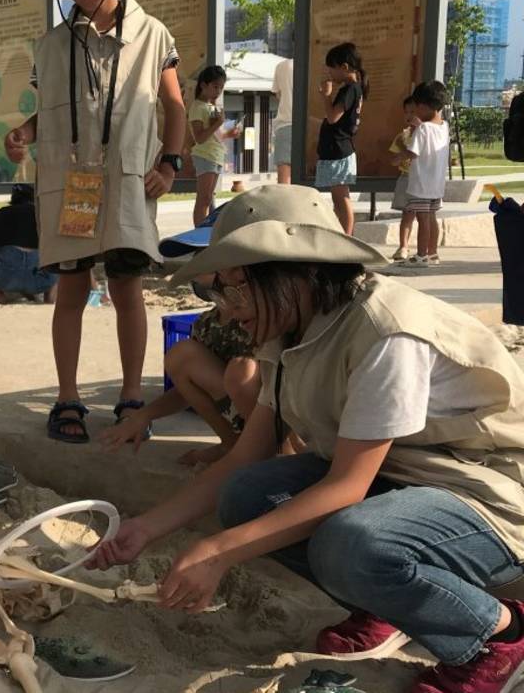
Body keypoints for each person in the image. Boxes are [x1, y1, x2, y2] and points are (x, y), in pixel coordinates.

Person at [90, 185, 524, 693]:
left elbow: (346, 488)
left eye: (234, 289)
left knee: (353, 542)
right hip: (401, 478)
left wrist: (217, 553)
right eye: (218, 292)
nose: (226, 311)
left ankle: (499, 637)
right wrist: (146, 527)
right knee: (246, 496)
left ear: (293, 275)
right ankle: (380, 604)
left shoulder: (385, 331)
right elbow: (246, 457)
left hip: (485, 490)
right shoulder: (291, 330)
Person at [4, 0, 185, 444]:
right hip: (70, 183)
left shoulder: (153, 35)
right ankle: (67, 396)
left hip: (129, 180)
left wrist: (169, 162)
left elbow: (173, 106)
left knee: (128, 286)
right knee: (71, 289)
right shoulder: (52, 44)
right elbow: (56, 108)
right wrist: (27, 132)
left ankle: (132, 395)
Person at [101, 209, 258, 465]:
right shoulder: (208, 323)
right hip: (246, 419)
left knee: (243, 371)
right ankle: (233, 445)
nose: (199, 265)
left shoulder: (267, 317)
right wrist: (144, 415)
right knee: (182, 356)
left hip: (279, 422)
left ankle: (264, 450)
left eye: (209, 256)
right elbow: (189, 387)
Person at [392, 81, 451, 267]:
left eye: (416, 106)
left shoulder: (423, 129)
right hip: (436, 184)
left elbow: (413, 152)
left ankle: (421, 255)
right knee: (432, 219)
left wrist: (398, 158)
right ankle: (433, 253)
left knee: (422, 219)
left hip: (421, 184)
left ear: (423, 106)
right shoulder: (444, 126)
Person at [314, 42, 367, 235]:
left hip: (339, 149)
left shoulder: (350, 89)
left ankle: (347, 236)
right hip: (336, 149)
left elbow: (333, 117)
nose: (330, 74)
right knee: (338, 198)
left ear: (344, 67)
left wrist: (326, 97)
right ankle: (343, 234)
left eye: (332, 69)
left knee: (341, 198)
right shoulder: (353, 89)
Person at [187, 66, 238, 227]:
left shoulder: (212, 107)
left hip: (215, 156)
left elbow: (217, 137)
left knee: (209, 197)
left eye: (221, 88)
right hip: (205, 155)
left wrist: (229, 134)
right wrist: (219, 123)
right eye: (215, 86)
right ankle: (198, 234)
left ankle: (206, 232)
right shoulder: (197, 107)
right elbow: (200, 138)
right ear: (203, 85)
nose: (218, 91)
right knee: (204, 198)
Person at [389, 95, 419, 262]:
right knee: (407, 215)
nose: (409, 115)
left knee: (424, 216)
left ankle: (428, 250)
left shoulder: (425, 133)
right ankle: (403, 246)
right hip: (406, 178)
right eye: (406, 112)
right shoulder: (402, 136)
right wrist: (401, 156)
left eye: (413, 112)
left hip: (422, 181)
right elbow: (393, 159)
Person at [270, 56, 294, 184]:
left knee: (284, 180)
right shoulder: (315, 65)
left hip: (285, 123)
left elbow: (277, 94)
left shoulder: (282, 66)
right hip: (310, 124)